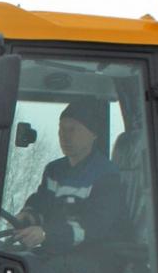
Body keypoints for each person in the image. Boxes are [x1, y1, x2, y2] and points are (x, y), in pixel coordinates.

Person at [11, 100, 119, 251]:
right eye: (61, 129)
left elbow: (96, 225)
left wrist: (47, 234)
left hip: (93, 254)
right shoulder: (54, 170)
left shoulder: (107, 175)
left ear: (93, 134)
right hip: (57, 251)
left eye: (72, 130)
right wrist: (28, 216)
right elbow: (42, 203)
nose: (64, 136)